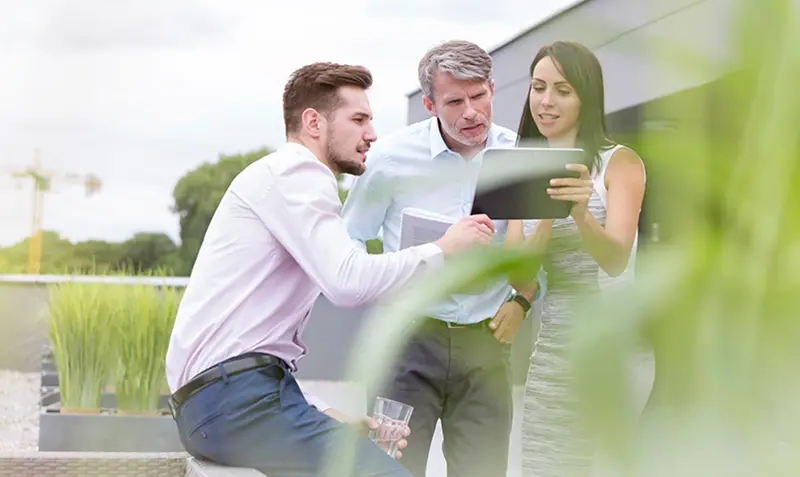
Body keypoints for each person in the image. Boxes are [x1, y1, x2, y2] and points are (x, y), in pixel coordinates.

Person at [164, 61, 497, 477]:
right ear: (313, 123)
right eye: (358, 119)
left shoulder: (279, 180)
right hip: (231, 403)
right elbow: (347, 282)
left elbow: (256, 347)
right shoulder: (299, 172)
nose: (371, 134)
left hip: (227, 402)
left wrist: (321, 417)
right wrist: (443, 249)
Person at [341, 40, 540, 477]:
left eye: (479, 95)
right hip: (405, 345)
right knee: (389, 468)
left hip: (487, 345)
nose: (471, 111)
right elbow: (348, 242)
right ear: (430, 104)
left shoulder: (521, 157)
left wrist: (523, 300)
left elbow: (537, 245)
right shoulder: (391, 159)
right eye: (455, 101)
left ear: (492, 88)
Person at [504, 41, 652, 477]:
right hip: (552, 350)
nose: (546, 101)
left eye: (562, 90)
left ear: (586, 96)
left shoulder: (618, 163)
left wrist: (581, 212)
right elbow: (519, 276)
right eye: (538, 87)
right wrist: (548, 214)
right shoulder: (522, 169)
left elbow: (615, 261)